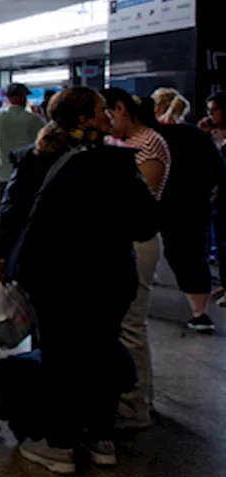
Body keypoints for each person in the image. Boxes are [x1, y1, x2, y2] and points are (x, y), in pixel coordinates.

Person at [0, 87, 158, 474]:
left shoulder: (35, 161)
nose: (109, 117)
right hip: (111, 275)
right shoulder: (118, 166)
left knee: (60, 353)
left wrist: (2, 261)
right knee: (102, 350)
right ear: (84, 119)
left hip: (54, 276)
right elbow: (146, 222)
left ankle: (60, 443)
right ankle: (99, 437)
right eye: (102, 110)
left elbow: (12, 216)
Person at [101, 89, 169, 429]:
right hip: (118, 239)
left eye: (106, 113)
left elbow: (145, 198)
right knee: (122, 322)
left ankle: (135, 406)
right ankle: (136, 395)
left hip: (137, 241)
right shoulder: (118, 142)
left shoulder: (150, 143)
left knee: (131, 323)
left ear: (121, 109)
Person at [154, 101, 226, 330]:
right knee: (193, 255)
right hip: (195, 204)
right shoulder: (197, 135)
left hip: (165, 203)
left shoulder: (154, 138)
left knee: (172, 253)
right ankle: (199, 312)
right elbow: (218, 169)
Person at [0, 83, 46, 217]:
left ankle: (1, 234)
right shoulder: (34, 119)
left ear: (7, 98)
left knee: (1, 210)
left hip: (0, 173)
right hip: (26, 174)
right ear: (23, 97)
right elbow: (47, 137)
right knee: (23, 212)